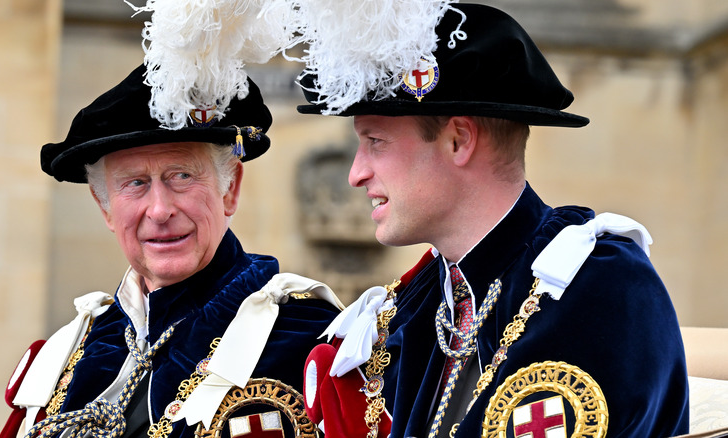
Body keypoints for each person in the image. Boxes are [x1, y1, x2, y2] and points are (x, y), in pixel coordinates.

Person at [294, 3, 689, 438]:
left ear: (458, 140)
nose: (356, 173)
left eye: (375, 142)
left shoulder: (598, 288)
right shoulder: (420, 304)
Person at [0, 63, 342, 438]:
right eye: (135, 183)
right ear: (105, 207)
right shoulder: (71, 350)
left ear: (229, 190)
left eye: (181, 176)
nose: (160, 210)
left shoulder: (306, 335)